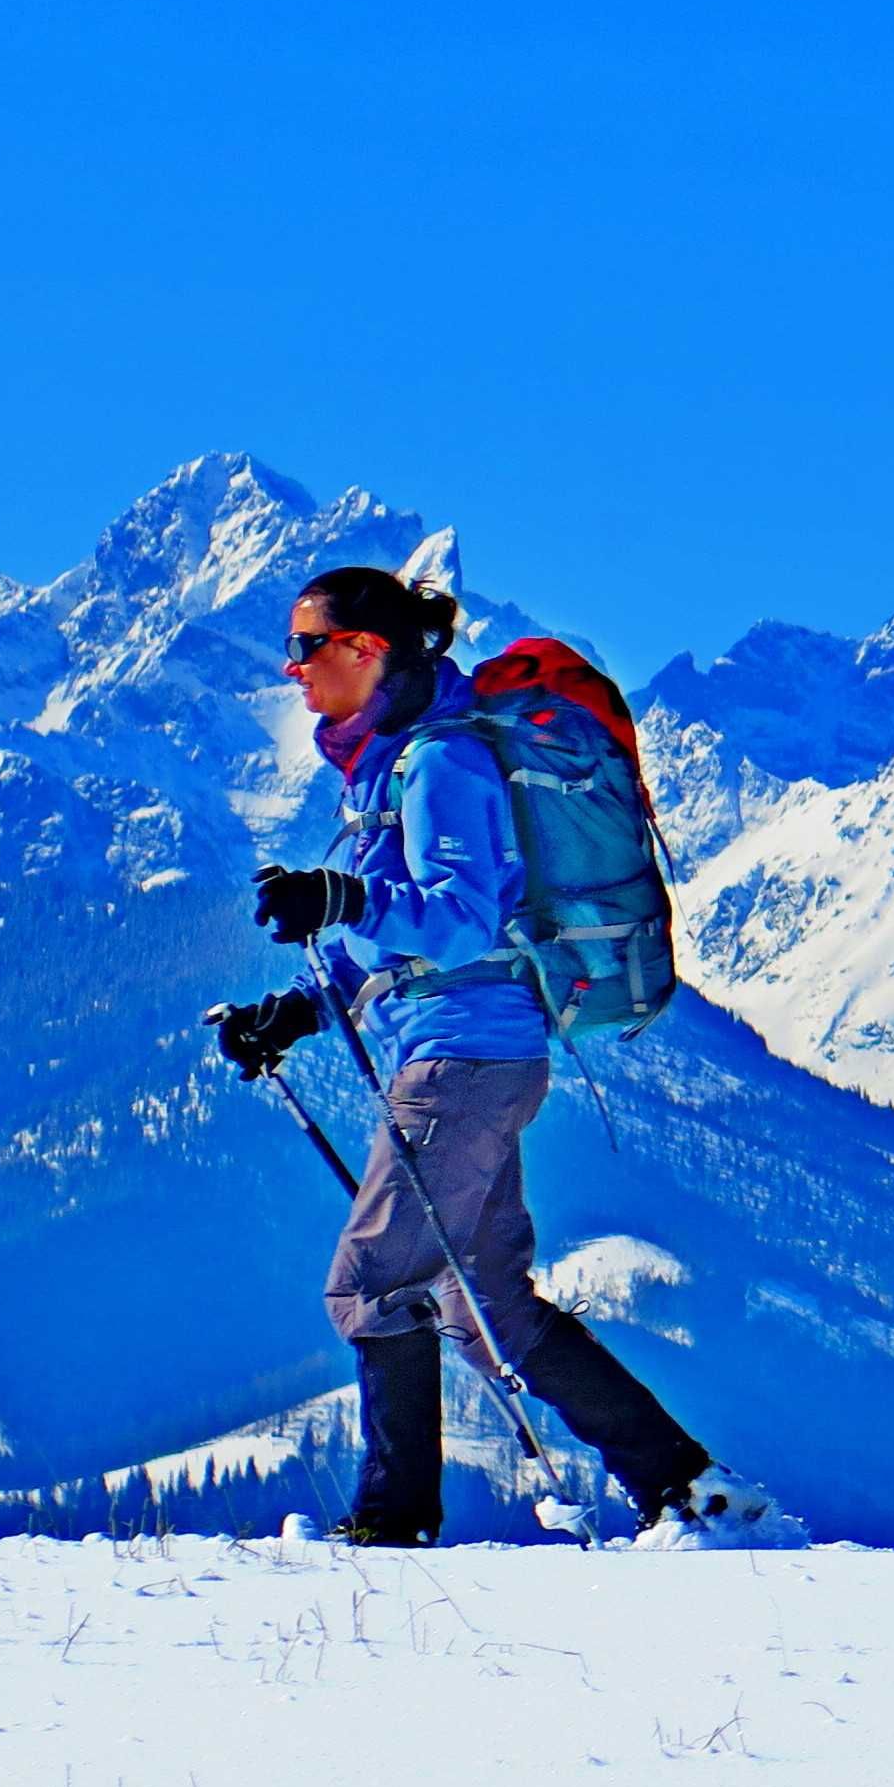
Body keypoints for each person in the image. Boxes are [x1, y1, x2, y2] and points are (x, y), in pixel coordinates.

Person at [211, 565, 772, 1548]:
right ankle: (685, 1486)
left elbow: (463, 922)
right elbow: (391, 931)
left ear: (366, 650)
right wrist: (294, 1011)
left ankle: (390, 1524)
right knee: (487, 1307)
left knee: (372, 1283)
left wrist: (337, 900)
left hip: (462, 1061)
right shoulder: (394, 763)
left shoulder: (443, 764)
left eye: (304, 647)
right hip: (468, 1055)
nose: (290, 669)